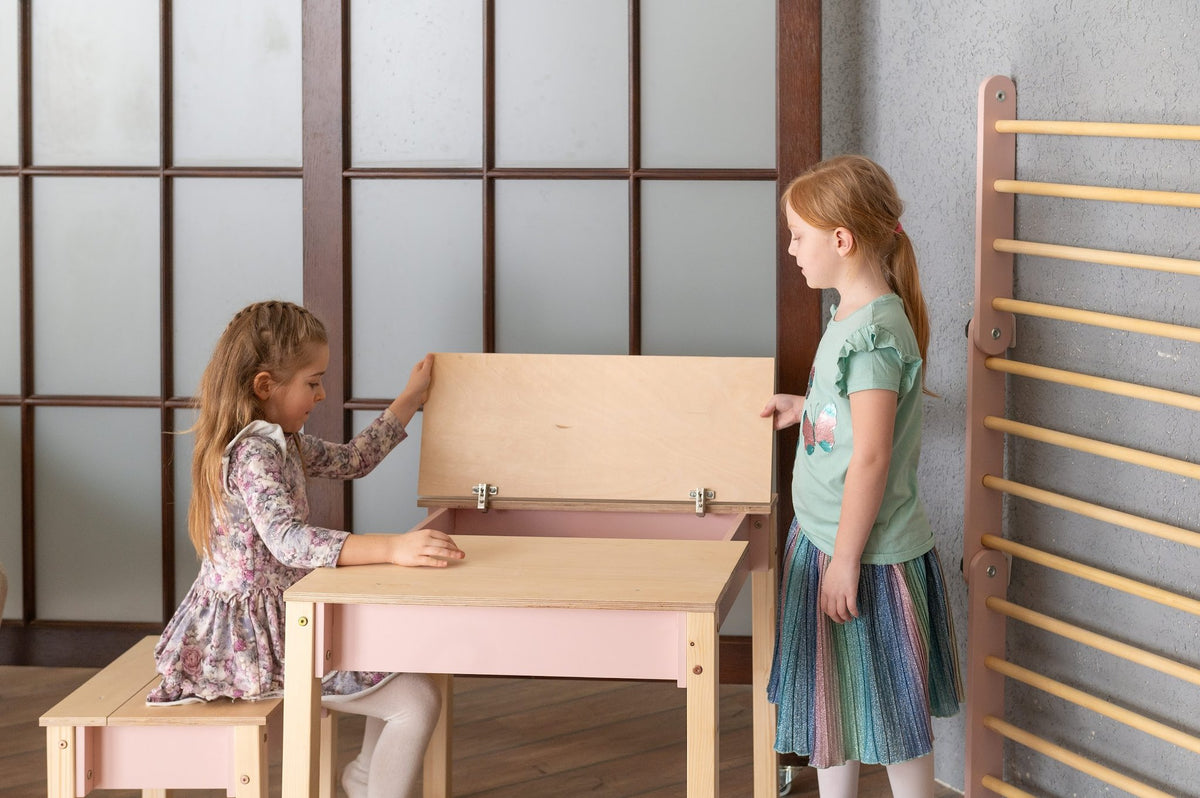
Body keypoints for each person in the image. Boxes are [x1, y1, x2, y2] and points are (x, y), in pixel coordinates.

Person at [149, 300, 464, 798]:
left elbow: (353, 459)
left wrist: (410, 398)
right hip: (254, 640)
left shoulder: (281, 440)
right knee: (417, 701)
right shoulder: (254, 452)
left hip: (286, 615)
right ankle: (368, 783)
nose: (321, 394)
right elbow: (289, 540)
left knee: (400, 658)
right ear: (265, 385)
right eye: (312, 382)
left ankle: (364, 778)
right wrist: (393, 548)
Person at [761, 156, 962, 798]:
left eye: (798, 235)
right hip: (825, 540)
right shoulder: (851, 314)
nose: (791, 249)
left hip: (864, 557)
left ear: (841, 240)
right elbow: (851, 418)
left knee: (894, 723)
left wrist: (844, 561)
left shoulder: (874, 334)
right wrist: (806, 408)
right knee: (832, 709)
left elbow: (872, 457)